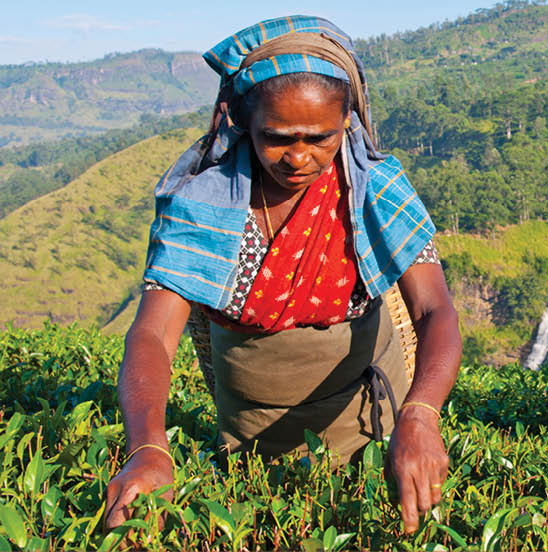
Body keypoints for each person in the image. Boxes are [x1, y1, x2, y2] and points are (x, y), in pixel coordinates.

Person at [103, 16, 461, 534]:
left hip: (374, 425)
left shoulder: (373, 190)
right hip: (248, 432)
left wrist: (421, 414)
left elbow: (435, 310)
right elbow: (153, 334)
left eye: (321, 137)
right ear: (244, 122)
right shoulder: (203, 205)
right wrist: (148, 447)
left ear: (350, 123)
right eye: (277, 138)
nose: (298, 157)